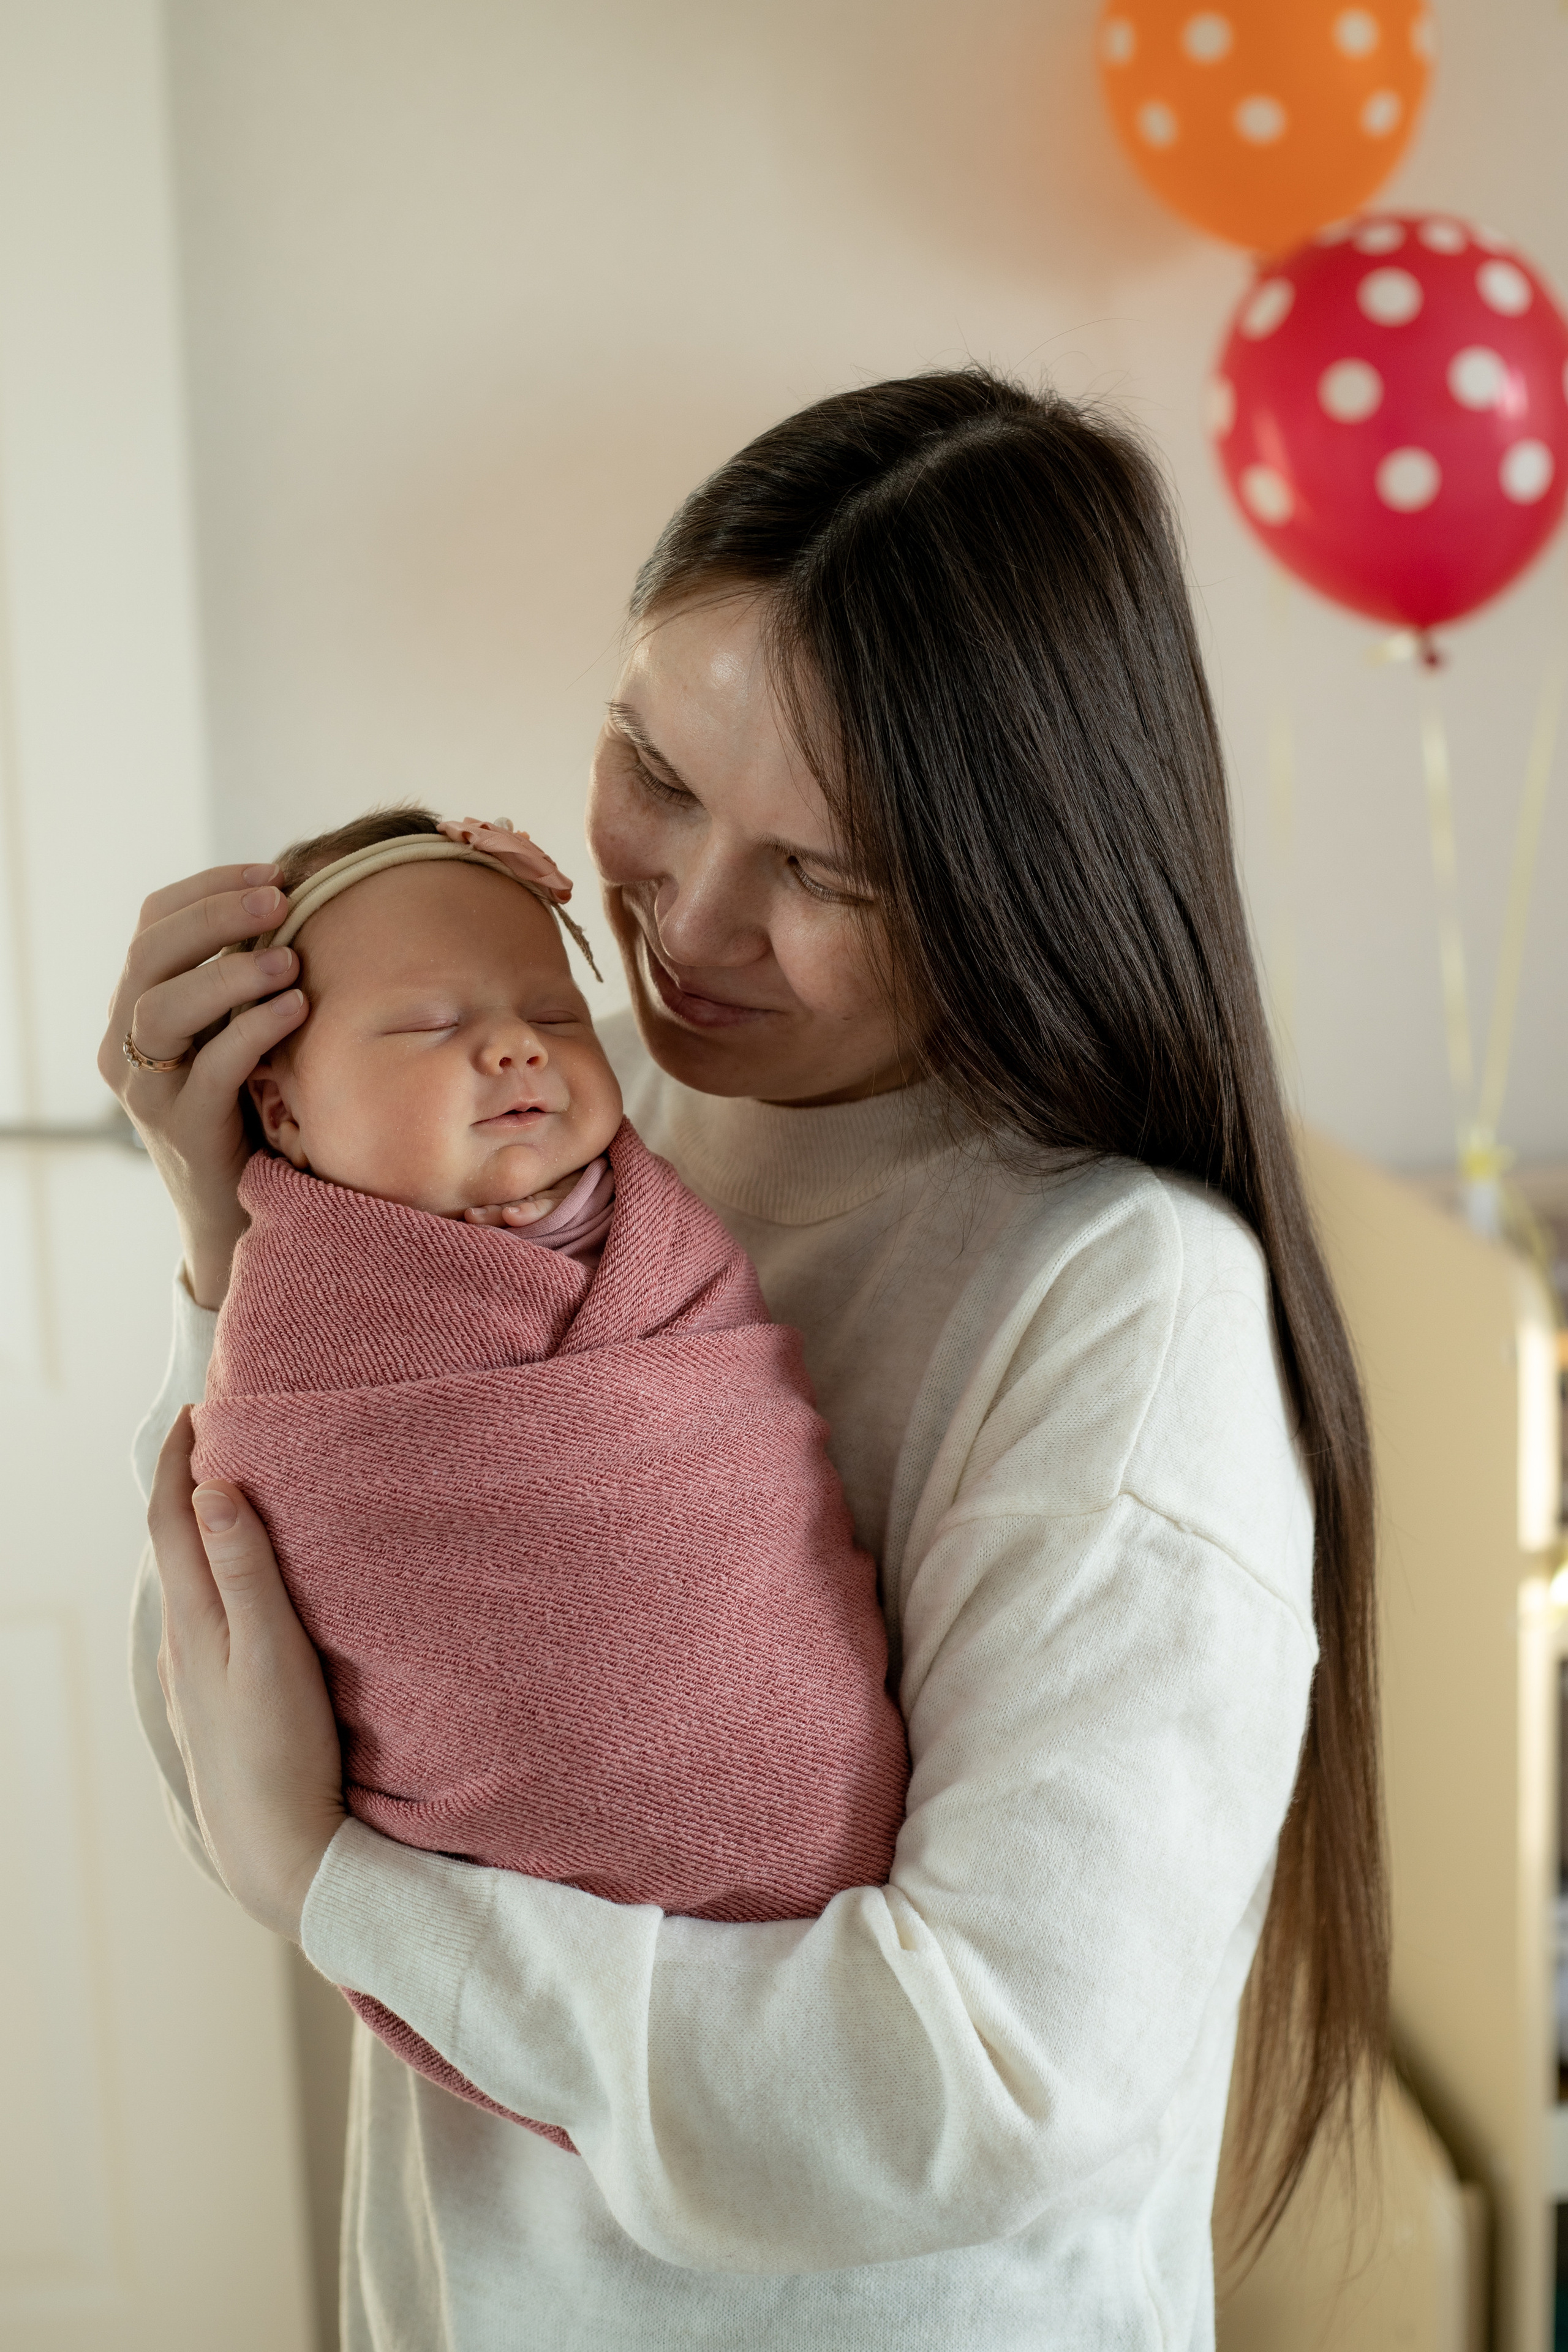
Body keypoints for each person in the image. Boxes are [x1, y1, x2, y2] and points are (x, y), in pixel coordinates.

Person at [104, 367, 1384, 2351]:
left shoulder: (1119, 1310)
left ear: (1011, 875)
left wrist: (334, 1890)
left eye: (834, 870)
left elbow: (974, 2083)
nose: (688, 923)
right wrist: (248, 1242)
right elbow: (258, 1723)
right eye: (659, 775)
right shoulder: (564, 1150)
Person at [191, 801, 907, 2135]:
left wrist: (300, 1865)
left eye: (552, 1012)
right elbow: (218, 1700)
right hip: (505, 1930)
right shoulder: (299, 1324)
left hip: (828, 1913)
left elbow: (733, 1471)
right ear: (279, 1109)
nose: (516, 1044)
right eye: (425, 1026)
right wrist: (200, 1209)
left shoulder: (661, 1212)